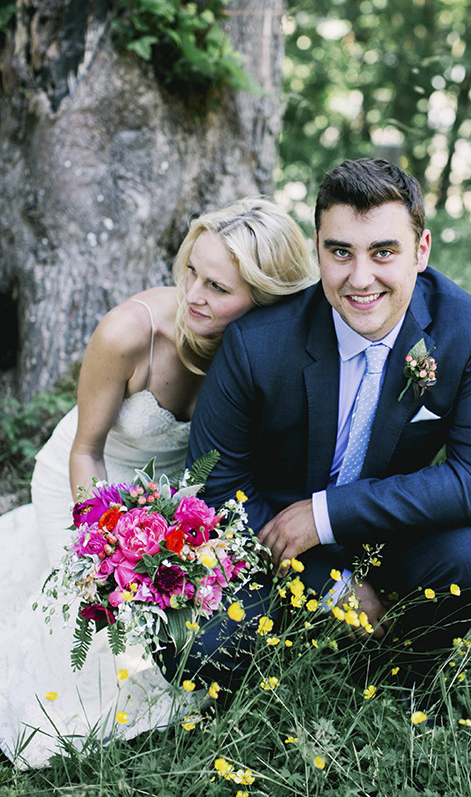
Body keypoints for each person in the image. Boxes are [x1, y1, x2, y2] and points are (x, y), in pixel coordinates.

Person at [0, 197, 318, 769]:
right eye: (192, 272)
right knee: (96, 625)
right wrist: (103, 546)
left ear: (267, 299)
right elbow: (85, 451)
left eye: (218, 288)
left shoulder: (269, 353)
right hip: (88, 486)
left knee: (179, 619)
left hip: (181, 497)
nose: (194, 295)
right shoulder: (131, 333)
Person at [184, 158, 471, 694]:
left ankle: (392, 677)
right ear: (318, 247)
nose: (361, 279)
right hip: (273, 543)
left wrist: (327, 513)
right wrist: (331, 585)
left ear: (421, 250)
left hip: (384, 536)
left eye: (384, 252)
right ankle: (287, 667)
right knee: (204, 648)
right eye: (341, 252)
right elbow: (217, 490)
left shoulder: (467, 329)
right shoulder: (258, 341)